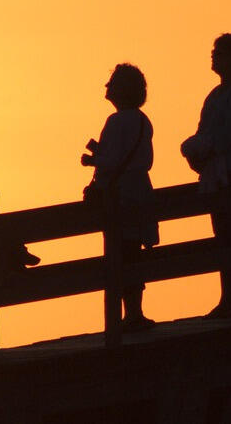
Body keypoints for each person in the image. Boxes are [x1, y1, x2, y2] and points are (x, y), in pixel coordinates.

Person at [181, 33, 231, 318]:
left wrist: (206, 149)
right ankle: (230, 295)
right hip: (217, 170)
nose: (213, 56)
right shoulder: (214, 95)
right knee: (223, 233)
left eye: (219, 52)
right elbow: (204, 129)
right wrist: (197, 150)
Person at [82, 63, 159, 332]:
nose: (107, 87)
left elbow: (112, 160)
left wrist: (93, 159)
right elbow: (143, 158)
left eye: (112, 82)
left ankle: (127, 316)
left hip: (120, 195)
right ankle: (135, 312)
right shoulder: (142, 119)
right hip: (140, 189)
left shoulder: (116, 121)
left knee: (119, 254)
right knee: (133, 252)